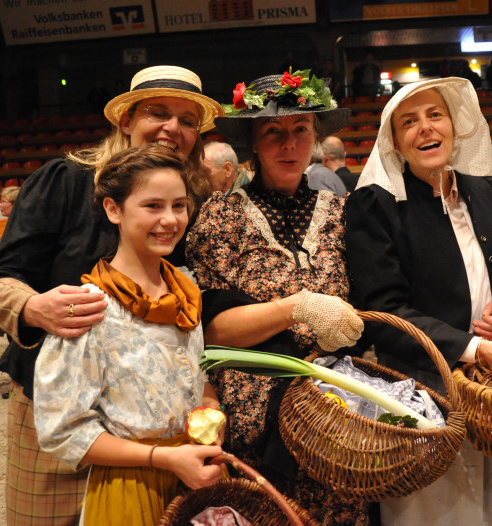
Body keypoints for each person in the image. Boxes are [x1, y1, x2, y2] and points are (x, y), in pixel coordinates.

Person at [0, 64, 223, 526]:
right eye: (158, 112)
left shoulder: (187, 199)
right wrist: (34, 307)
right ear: (125, 120)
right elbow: (0, 278)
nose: (172, 128)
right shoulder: (65, 180)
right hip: (57, 403)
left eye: (187, 120)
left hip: (152, 435)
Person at [345, 77, 492, 526]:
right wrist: (476, 348)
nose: (425, 128)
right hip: (424, 392)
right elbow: (383, 312)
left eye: (434, 115)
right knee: (443, 511)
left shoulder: (485, 190)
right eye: (409, 121)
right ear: (395, 143)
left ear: (455, 126)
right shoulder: (375, 206)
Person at [187, 70, 369, 525]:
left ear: (315, 137)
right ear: (253, 143)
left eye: (300, 131)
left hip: (337, 413)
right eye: (273, 132)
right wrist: (296, 308)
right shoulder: (220, 217)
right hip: (252, 414)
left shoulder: (346, 215)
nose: (288, 144)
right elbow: (212, 331)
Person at [34, 144, 225, 526]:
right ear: (113, 209)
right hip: (130, 487)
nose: (169, 220)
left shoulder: (185, 290)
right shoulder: (90, 308)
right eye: (152, 206)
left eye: (179, 205)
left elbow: (196, 378)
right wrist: (162, 458)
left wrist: (212, 416)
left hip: (191, 477)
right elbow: (62, 429)